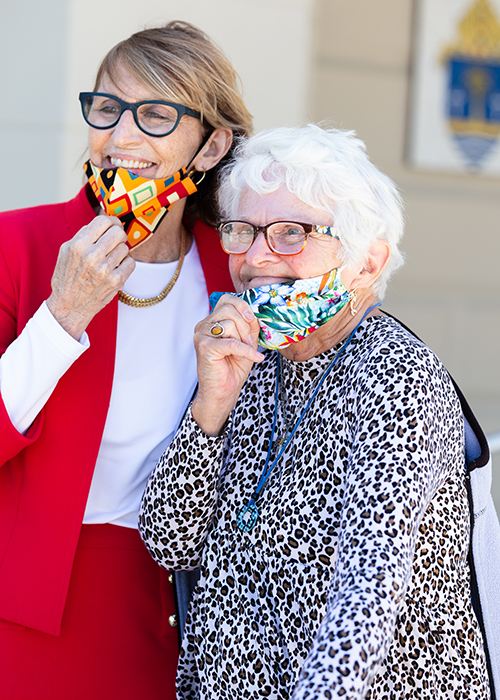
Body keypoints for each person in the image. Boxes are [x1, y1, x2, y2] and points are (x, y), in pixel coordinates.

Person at [139, 124, 499, 699]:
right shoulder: (254, 359)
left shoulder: (397, 378)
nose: (256, 258)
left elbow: (367, 600)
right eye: (243, 231)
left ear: (365, 263)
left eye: (291, 233)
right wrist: (210, 404)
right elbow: (171, 541)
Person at [0, 20, 252, 700]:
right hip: (22, 609)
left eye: (157, 114)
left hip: (180, 613)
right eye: (108, 108)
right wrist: (62, 316)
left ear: (211, 146)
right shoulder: (16, 244)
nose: (121, 137)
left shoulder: (235, 271)